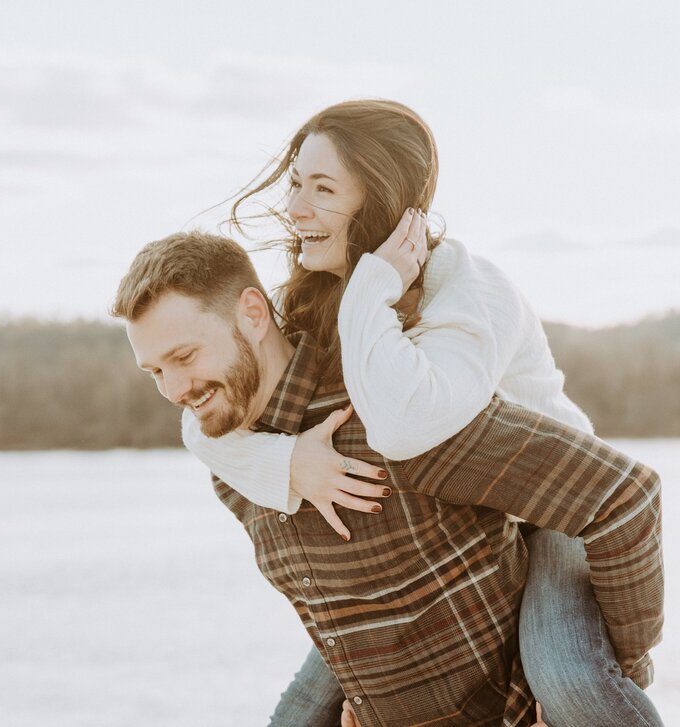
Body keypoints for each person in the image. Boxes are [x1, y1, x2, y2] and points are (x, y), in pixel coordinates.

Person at [179, 100, 665, 726]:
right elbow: (206, 418)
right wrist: (289, 461)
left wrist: (622, 657)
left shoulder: (467, 290)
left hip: (550, 520)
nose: (295, 208)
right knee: (299, 714)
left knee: (567, 679)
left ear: (381, 200)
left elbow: (405, 426)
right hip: (453, 541)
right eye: (296, 183)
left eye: (322, 189)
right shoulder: (312, 296)